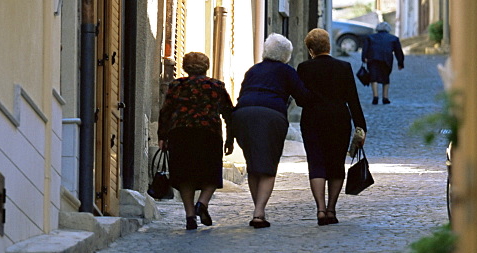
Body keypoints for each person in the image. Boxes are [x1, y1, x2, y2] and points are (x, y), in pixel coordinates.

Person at [233, 33, 311, 228]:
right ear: (286, 54)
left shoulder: (253, 70)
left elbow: (242, 93)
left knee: (253, 164)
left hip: (244, 113)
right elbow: (303, 97)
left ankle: (258, 208)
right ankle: (259, 212)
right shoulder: (286, 71)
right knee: (268, 165)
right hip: (271, 115)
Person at [157, 51, 234, 231]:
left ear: (185, 67)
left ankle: (190, 216)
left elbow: (165, 112)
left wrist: (162, 136)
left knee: (185, 176)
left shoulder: (176, 85)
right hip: (209, 134)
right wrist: (230, 139)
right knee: (211, 174)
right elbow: (229, 114)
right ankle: (203, 203)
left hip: (181, 134)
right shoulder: (216, 86)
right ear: (206, 67)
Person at [297, 28, 367, 226]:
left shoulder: (304, 68)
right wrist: (361, 127)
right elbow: (353, 99)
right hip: (339, 119)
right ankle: (331, 209)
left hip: (312, 119)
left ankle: (320, 209)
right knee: (336, 164)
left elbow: (301, 99)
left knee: (316, 162)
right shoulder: (343, 67)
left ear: (311, 50)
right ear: (329, 46)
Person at [361, 20, 405, 104]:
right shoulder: (394, 38)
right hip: (386, 59)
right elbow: (398, 52)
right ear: (388, 29)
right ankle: (385, 97)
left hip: (372, 59)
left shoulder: (370, 37)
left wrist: (364, 58)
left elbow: (365, 49)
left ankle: (375, 96)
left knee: (373, 77)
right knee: (386, 77)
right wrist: (400, 63)